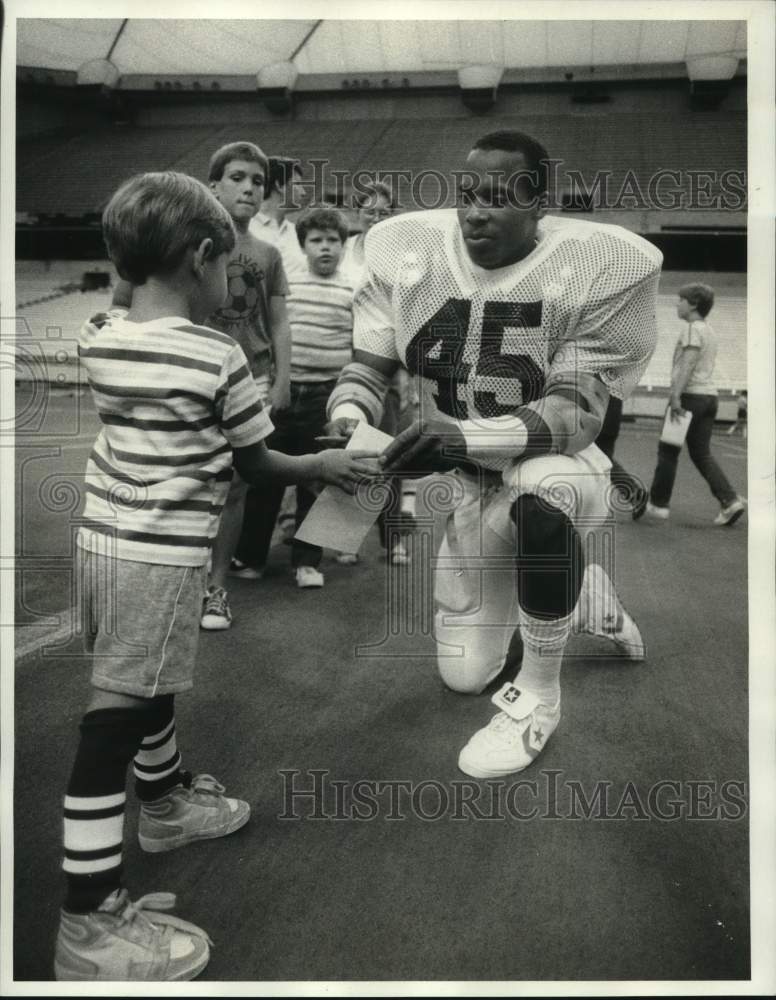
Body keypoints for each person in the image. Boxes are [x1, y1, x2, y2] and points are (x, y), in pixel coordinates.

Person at [54, 172, 376, 981]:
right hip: (159, 555)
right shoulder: (217, 353)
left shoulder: (99, 334)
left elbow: (121, 305)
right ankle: (86, 921)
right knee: (115, 718)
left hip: (100, 542)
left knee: (145, 681)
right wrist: (325, 462)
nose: (235, 285)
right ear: (201, 256)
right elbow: (257, 462)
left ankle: (162, 807)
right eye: (230, 269)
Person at [325, 130, 661, 779]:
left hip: (553, 465)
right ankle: (584, 590)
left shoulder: (602, 264)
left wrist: (463, 437)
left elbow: (573, 411)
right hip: (472, 485)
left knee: (545, 491)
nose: (477, 211)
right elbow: (366, 367)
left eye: (501, 197)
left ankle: (538, 694)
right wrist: (348, 420)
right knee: (461, 675)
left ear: (541, 203)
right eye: (468, 195)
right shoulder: (406, 252)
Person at [195, 141, 292, 629]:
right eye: (237, 177)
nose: (249, 188)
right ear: (213, 185)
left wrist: (283, 378)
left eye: (257, 181)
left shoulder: (269, 254)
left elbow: (278, 322)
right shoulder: (191, 242)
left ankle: (215, 591)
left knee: (234, 488)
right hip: (196, 372)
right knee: (188, 482)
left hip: (252, 377)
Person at [242, 206, 356, 588]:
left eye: (333, 241)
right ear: (303, 245)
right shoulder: (288, 284)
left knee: (318, 481)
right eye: (316, 241)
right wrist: (277, 384)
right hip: (285, 394)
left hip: (326, 397)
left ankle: (307, 562)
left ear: (344, 245)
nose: (325, 248)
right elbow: (274, 331)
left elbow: (357, 347)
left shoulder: (352, 289)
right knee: (265, 477)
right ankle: (252, 556)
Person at [339, 179, 414, 567]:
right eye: (369, 210)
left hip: (385, 364)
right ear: (357, 213)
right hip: (345, 361)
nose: (377, 217)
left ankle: (394, 540)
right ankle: (345, 538)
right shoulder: (343, 253)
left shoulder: (402, 257)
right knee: (350, 450)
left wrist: (405, 373)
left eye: (385, 211)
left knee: (391, 452)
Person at [638, 283, 745, 526]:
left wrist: (675, 396)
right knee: (701, 453)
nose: (677, 304)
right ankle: (729, 500)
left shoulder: (691, 330)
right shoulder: (709, 330)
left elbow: (687, 364)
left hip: (689, 397)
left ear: (693, 304)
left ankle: (658, 505)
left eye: (681, 299)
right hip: (709, 397)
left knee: (668, 452)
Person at [249, 155, 308, 280]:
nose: (303, 192)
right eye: (297, 184)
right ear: (279, 186)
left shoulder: (297, 232)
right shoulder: (243, 230)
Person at [595, 395, 649, 518]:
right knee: (603, 461)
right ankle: (634, 494)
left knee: (600, 461)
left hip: (600, 419)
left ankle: (634, 493)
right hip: (612, 419)